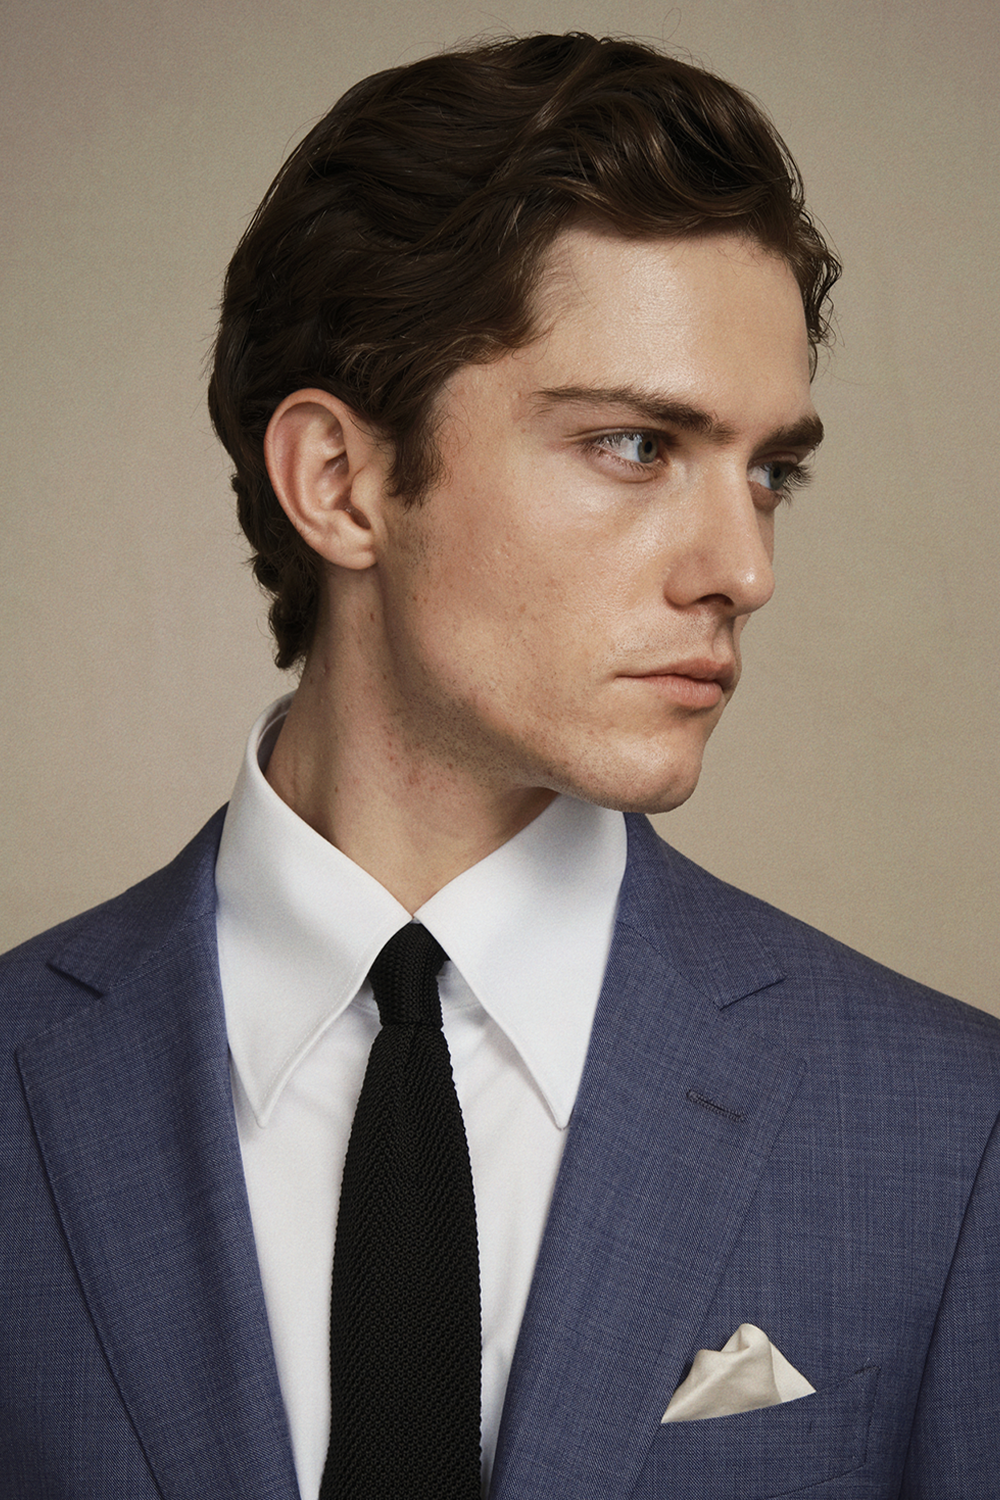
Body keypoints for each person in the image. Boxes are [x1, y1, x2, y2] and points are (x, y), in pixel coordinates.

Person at [1, 30, 998, 1500]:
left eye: (770, 471)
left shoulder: (949, 1132)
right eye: (637, 446)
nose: (744, 568)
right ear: (340, 482)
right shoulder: (24, 1083)